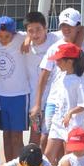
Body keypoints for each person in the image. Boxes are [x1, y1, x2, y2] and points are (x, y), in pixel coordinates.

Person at [31, 8, 84, 153]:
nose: (66, 29)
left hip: (74, 103)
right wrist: (37, 104)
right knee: (45, 139)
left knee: (70, 143)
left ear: (77, 27)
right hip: (54, 100)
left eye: (70, 25)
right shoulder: (54, 46)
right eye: (63, 25)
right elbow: (43, 76)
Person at [43, 42, 84, 166]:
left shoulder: (80, 80)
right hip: (58, 122)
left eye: (59, 60)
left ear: (69, 61)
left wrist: (70, 113)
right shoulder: (62, 76)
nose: (56, 63)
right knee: (48, 156)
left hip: (73, 125)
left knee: (68, 159)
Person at [0, 16, 32, 163]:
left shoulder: (20, 38)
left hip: (20, 95)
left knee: (17, 136)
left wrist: (28, 39)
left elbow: (30, 32)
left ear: (13, 33)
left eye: (7, 36)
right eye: (0, 35)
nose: (3, 39)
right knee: (6, 135)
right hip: (2, 95)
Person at [22, 11, 59, 145]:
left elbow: (81, 30)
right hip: (35, 103)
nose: (35, 34)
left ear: (46, 28)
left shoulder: (55, 39)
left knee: (51, 138)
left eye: (38, 29)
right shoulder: (23, 42)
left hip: (54, 101)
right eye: (30, 31)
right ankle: (33, 165)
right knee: (35, 136)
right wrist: (26, 39)